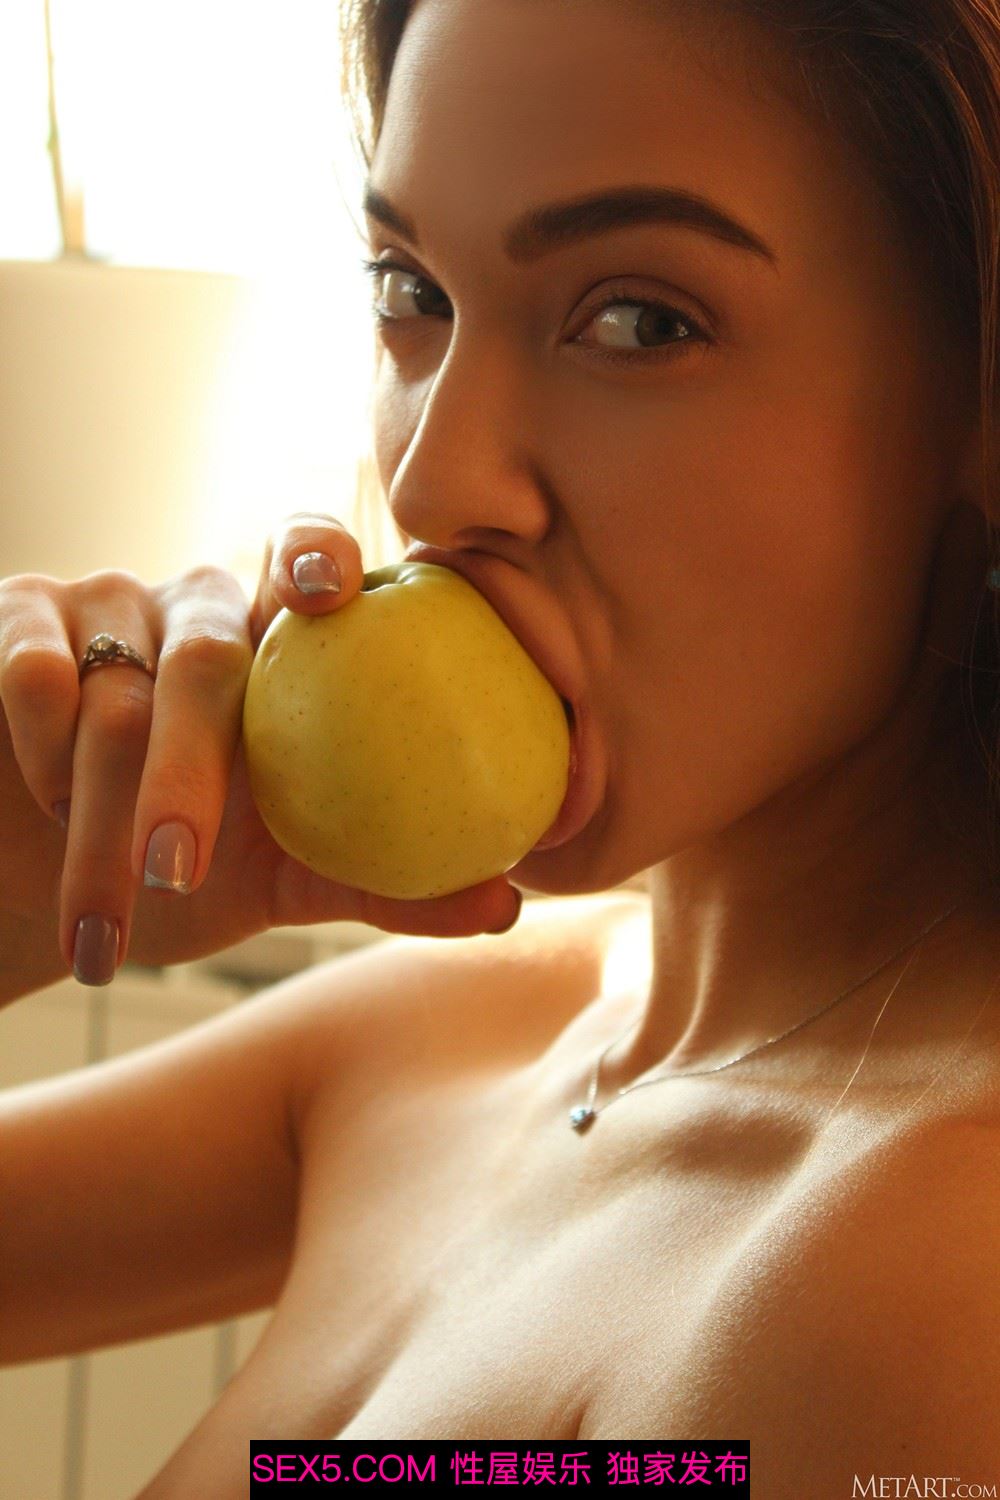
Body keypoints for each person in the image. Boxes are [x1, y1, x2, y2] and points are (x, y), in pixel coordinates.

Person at [2, 0, 999, 1492]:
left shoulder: (929, 1294)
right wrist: (14, 893)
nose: (430, 481)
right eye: (410, 289)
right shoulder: (454, 1040)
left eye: (641, 320)